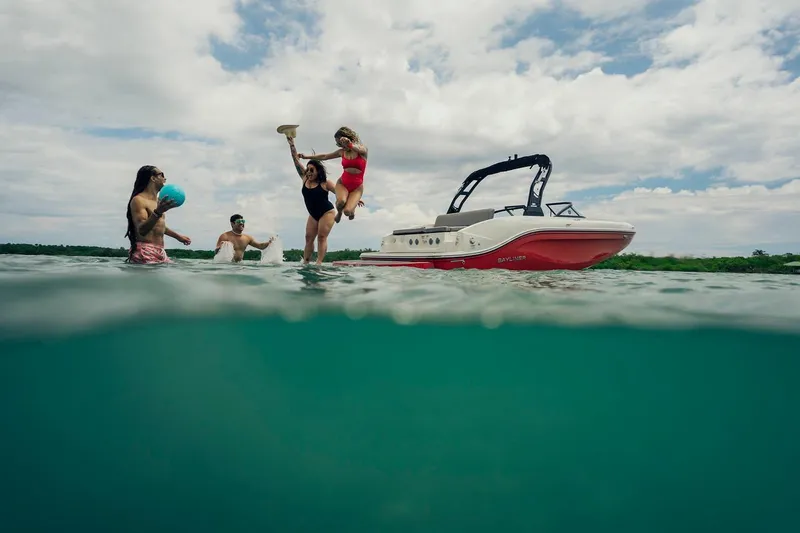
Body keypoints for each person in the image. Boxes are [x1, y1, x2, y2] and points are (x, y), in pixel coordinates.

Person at [285, 132, 363, 264]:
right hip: (313, 214)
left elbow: (339, 192)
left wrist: (354, 199)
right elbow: (295, 160)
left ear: (318, 172)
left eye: (312, 170)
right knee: (308, 238)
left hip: (327, 212)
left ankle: (319, 263)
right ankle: (306, 261)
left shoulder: (325, 184)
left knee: (321, 237)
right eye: (308, 169)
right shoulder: (304, 179)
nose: (308, 172)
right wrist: (292, 144)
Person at [298, 126, 367, 223]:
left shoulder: (362, 150)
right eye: (339, 144)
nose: (341, 146)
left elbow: (360, 149)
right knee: (341, 203)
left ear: (348, 138)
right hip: (343, 183)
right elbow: (325, 156)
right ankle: (339, 213)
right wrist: (307, 157)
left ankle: (351, 210)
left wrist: (350, 144)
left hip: (357, 187)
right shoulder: (341, 152)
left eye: (341, 142)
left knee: (347, 211)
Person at [125, 165, 191, 264]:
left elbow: (159, 225)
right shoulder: (139, 200)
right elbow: (142, 230)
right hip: (145, 250)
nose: (165, 178)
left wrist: (179, 237)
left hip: (161, 251)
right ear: (153, 178)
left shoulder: (158, 201)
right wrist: (158, 212)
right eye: (162, 175)